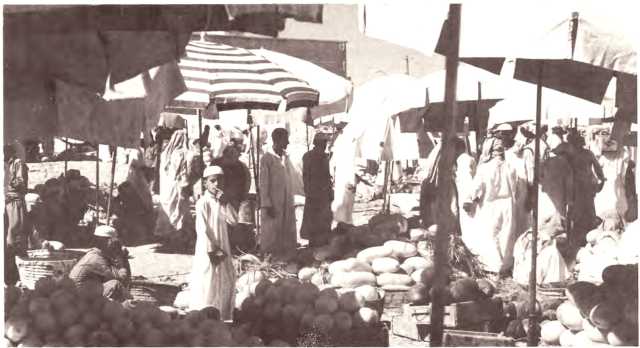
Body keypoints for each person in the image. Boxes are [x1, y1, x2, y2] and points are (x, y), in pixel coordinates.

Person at [463, 137, 519, 277]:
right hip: (507, 204)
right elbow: (516, 187)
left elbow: (476, 188)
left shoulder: (484, 168)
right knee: (506, 235)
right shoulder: (511, 166)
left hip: (490, 205)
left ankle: (494, 267)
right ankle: (505, 266)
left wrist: (469, 200)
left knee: (490, 235)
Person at [189, 166, 236, 320]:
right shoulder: (203, 202)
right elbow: (201, 228)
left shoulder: (221, 202)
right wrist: (212, 249)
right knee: (207, 278)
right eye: (213, 180)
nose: (217, 184)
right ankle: (205, 314)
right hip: (208, 247)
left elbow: (234, 221)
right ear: (205, 183)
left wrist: (226, 203)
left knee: (225, 278)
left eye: (220, 180)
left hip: (223, 245)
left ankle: (222, 313)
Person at [259, 128, 299, 257]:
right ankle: (270, 256)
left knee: (286, 228)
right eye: (285, 139)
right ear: (277, 140)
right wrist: (266, 203)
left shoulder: (286, 157)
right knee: (272, 231)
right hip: (273, 202)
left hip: (286, 199)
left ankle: (285, 255)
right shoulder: (267, 159)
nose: (287, 142)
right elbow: (263, 183)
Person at [155, 129, 199, 244]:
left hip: (166, 187)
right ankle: (178, 236)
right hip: (179, 187)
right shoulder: (184, 154)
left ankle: (167, 235)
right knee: (180, 211)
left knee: (168, 210)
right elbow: (187, 173)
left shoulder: (165, 154)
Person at [69, 225, 131, 301]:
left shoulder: (95, 254)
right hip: (78, 298)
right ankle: (133, 306)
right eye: (115, 243)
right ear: (109, 241)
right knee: (115, 284)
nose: (116, 245)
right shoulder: (96, 259)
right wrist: (122, 258)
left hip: (78, 294)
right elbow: (122, 279)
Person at [567, 133, 606, 247]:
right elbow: (598, 168)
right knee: (586, 211)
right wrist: (602, 179)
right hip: (584, 186)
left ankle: (580, 237)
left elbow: (597, 168)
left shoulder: (571, 155)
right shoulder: (587, 153)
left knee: (579, 211)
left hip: (579, 186)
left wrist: (602, 179)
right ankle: (585, 236)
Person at [212, 145, 252, 252]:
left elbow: (246, 181)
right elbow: (211, 182)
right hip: (219, 197)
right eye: (231, 156)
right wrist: (218, 194)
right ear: (225, 156)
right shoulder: (216, 164)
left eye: (236, 157)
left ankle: (234, 246)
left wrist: (242, 194)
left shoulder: (241, 166)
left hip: (235, 198)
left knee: (235, 222)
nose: (234, 159)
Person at [301, 132, 334, 247]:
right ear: (317, 143)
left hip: (318, 192)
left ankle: (318, 241)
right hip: (317, 192)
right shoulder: (314, 157)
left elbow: (326, 176)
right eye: (323, 143)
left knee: (319, 218)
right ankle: (316, 242)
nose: (324, 145)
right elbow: (307, 176)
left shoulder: (311, 156)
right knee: (316, 218)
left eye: (325, 143)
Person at [4, 144, 30, 285]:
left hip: (14, 202)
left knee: (14, 237)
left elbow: (20, 182)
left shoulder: (17, 163)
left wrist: (7, 179)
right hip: (5, 200)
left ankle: (15, 273)